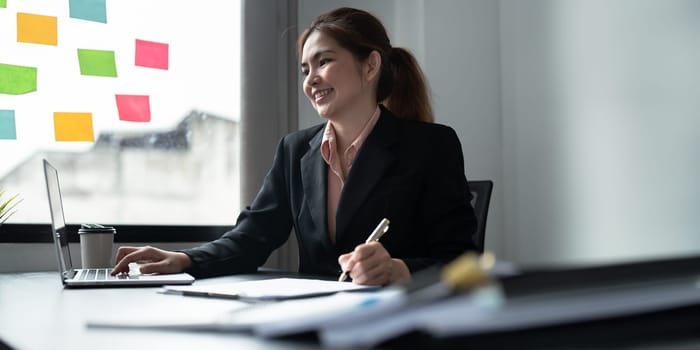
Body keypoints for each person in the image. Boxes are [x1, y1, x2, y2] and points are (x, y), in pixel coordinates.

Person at [111, 7, 478, 286]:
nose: (311, 79)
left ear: (370, 67)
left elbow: (461, 259)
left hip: (397, 325)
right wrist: (185, 259)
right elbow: (253, 237)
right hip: (314, 324)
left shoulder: (431, 145)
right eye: (305, 69)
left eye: (325, 61)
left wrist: (399, 269)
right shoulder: (295, 149)